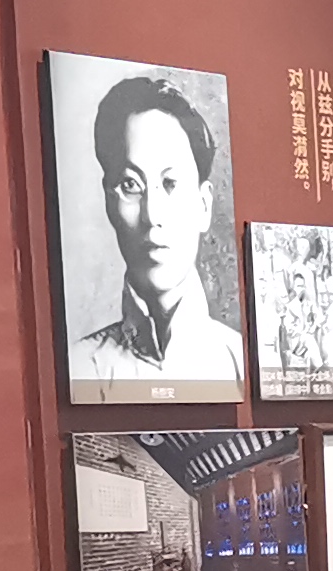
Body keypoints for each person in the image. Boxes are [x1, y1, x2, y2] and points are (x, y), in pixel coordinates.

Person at [69, 74, 247, 391]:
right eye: (130, 185)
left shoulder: (240, 363)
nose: (152, 216)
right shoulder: (81, 368)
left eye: (170, 183)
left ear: (203, 205)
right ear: (108, 203)